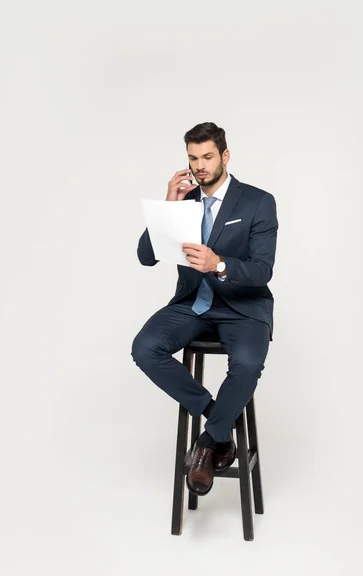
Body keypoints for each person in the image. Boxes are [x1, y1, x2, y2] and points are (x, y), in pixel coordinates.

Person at [131, 122, 278, 497]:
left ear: (224, 156)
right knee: (145, 348)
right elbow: (146, 257)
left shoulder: (258, 202)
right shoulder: (185, 202)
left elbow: (262, 270)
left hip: (243, 307)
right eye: (193, 158)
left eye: (207, 157)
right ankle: (218, 421)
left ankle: (207, 444)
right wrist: (168, 207)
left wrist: (219, 264)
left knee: (246, 365)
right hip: (193, 304)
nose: (200, 166)